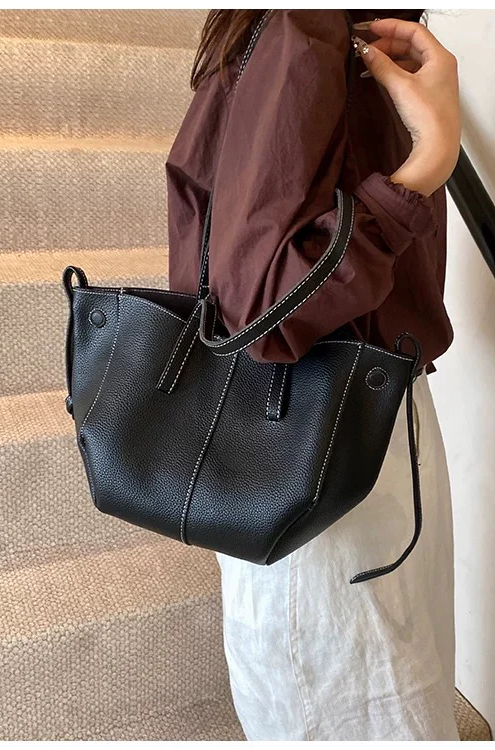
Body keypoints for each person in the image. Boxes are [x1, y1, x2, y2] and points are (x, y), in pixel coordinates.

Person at [165, 9, 461, 741]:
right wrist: (428, 161)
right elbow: (260, 308)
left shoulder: (318, 33)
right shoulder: (305, 29)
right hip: (326, 455)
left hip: (340, 438)